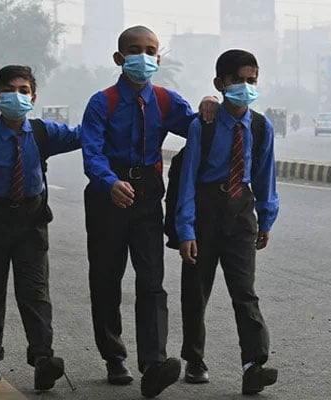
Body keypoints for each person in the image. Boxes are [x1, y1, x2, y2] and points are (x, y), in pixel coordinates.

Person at [81, 25, 218, 398]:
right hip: (107, 196)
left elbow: (197, 127)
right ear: (119, 58)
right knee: (107, 278)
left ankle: (154, 363)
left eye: (150, 50)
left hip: (147, 197)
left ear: (158, 58)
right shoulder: (101, 102)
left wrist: (210, 103)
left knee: (152, 280)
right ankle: (114, 356)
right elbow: (91, 153)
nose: (143, 56)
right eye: (135, 49)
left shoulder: (165, 100)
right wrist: (110, 183)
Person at [0, 65, 80, 391]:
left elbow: (84, 134)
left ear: (34, 97)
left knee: (35, 293)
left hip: (30, 223)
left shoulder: (43, 133)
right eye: (10, 90)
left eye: (24, 90)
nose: (17, 96)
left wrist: (106, 112)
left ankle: (42, 359)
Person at [175, 49, 279, 395]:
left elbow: (265, 177)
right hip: (205, 210)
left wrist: (265, 219)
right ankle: (195, 359)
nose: (245, 87)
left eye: (251, 81)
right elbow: (188, 179)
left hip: (241, 213)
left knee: (244, 293)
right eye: (237, 81)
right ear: (220, 84)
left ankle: (254, 364)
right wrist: (185, 229)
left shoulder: (262, 127)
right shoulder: (201, 126)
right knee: (196, 290)